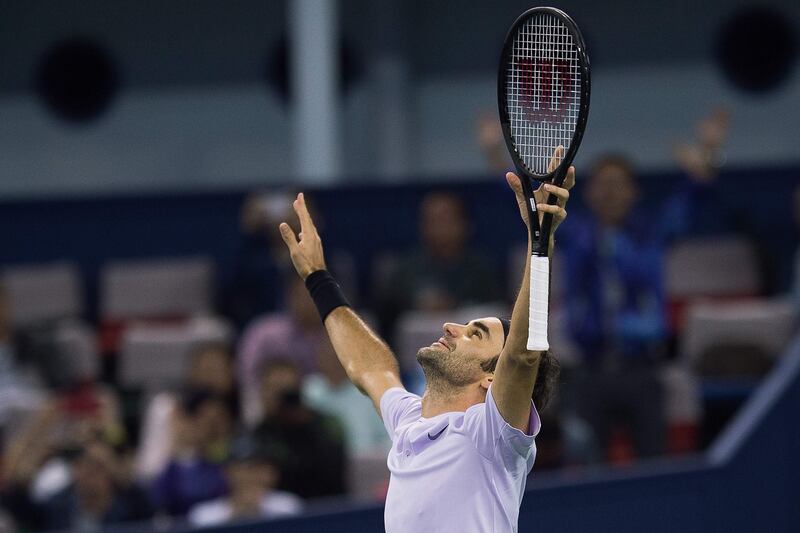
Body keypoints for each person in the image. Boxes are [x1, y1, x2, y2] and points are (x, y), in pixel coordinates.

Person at [276, 152, 572, 531]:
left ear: (490, 380)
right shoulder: (409, 421)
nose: (451, 327)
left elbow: (523, 356)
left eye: (474, 334)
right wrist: (317, 277)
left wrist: (540, 243)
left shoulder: (491, 435)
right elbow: (369, 367)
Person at [373, 191, 503, 343]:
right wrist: (418, 304)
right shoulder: (405, 269)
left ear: (465, 224)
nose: (440, 227)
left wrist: (454, 304)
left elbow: (497, 311)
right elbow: (387, 316)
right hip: (417, 350)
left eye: (446, 220)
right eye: (432, 221)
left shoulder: (481, 267)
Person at [252, 359, 346, 500]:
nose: (283, 399)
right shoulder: (257, 436)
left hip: (329, 506)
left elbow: (334, 471)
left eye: (288, 391)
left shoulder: (327, 424)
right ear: (263, 393)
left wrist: (306, 427)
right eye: (275, 390)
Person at [188, 437, 302, 527]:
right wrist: (237, 516)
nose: (252, 475)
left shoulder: (288, 506)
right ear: (228, 472)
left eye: (258, 466)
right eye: (246, 467)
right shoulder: (204, 516)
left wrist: (257, 511)